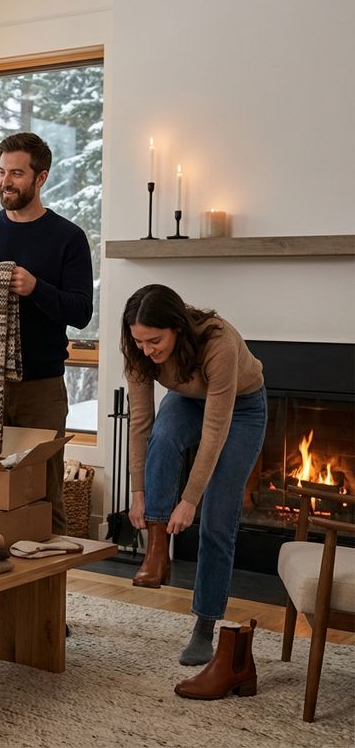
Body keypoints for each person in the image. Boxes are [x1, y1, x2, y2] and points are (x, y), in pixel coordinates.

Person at [0, 132, 93, 534]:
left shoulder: (68, 238)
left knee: (45, 491)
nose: (5, 182)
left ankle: (56, 568)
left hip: (41, 387)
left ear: (41, 178)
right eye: (1, 172)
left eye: (16, 173)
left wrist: (36, 288)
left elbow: (81, 312)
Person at [121, 284, 266, 667]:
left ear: (178, 328)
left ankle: (204, 627)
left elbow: (215, 430)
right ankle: (157, 552)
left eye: (155, 341)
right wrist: (138, 492)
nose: (147, 351)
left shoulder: (219, 342)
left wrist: (189, 500)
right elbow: (140, 422)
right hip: (187, 400)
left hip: (242, 408)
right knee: (164, 437)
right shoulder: (137, 347)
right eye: (139, 342)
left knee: (217, 519)